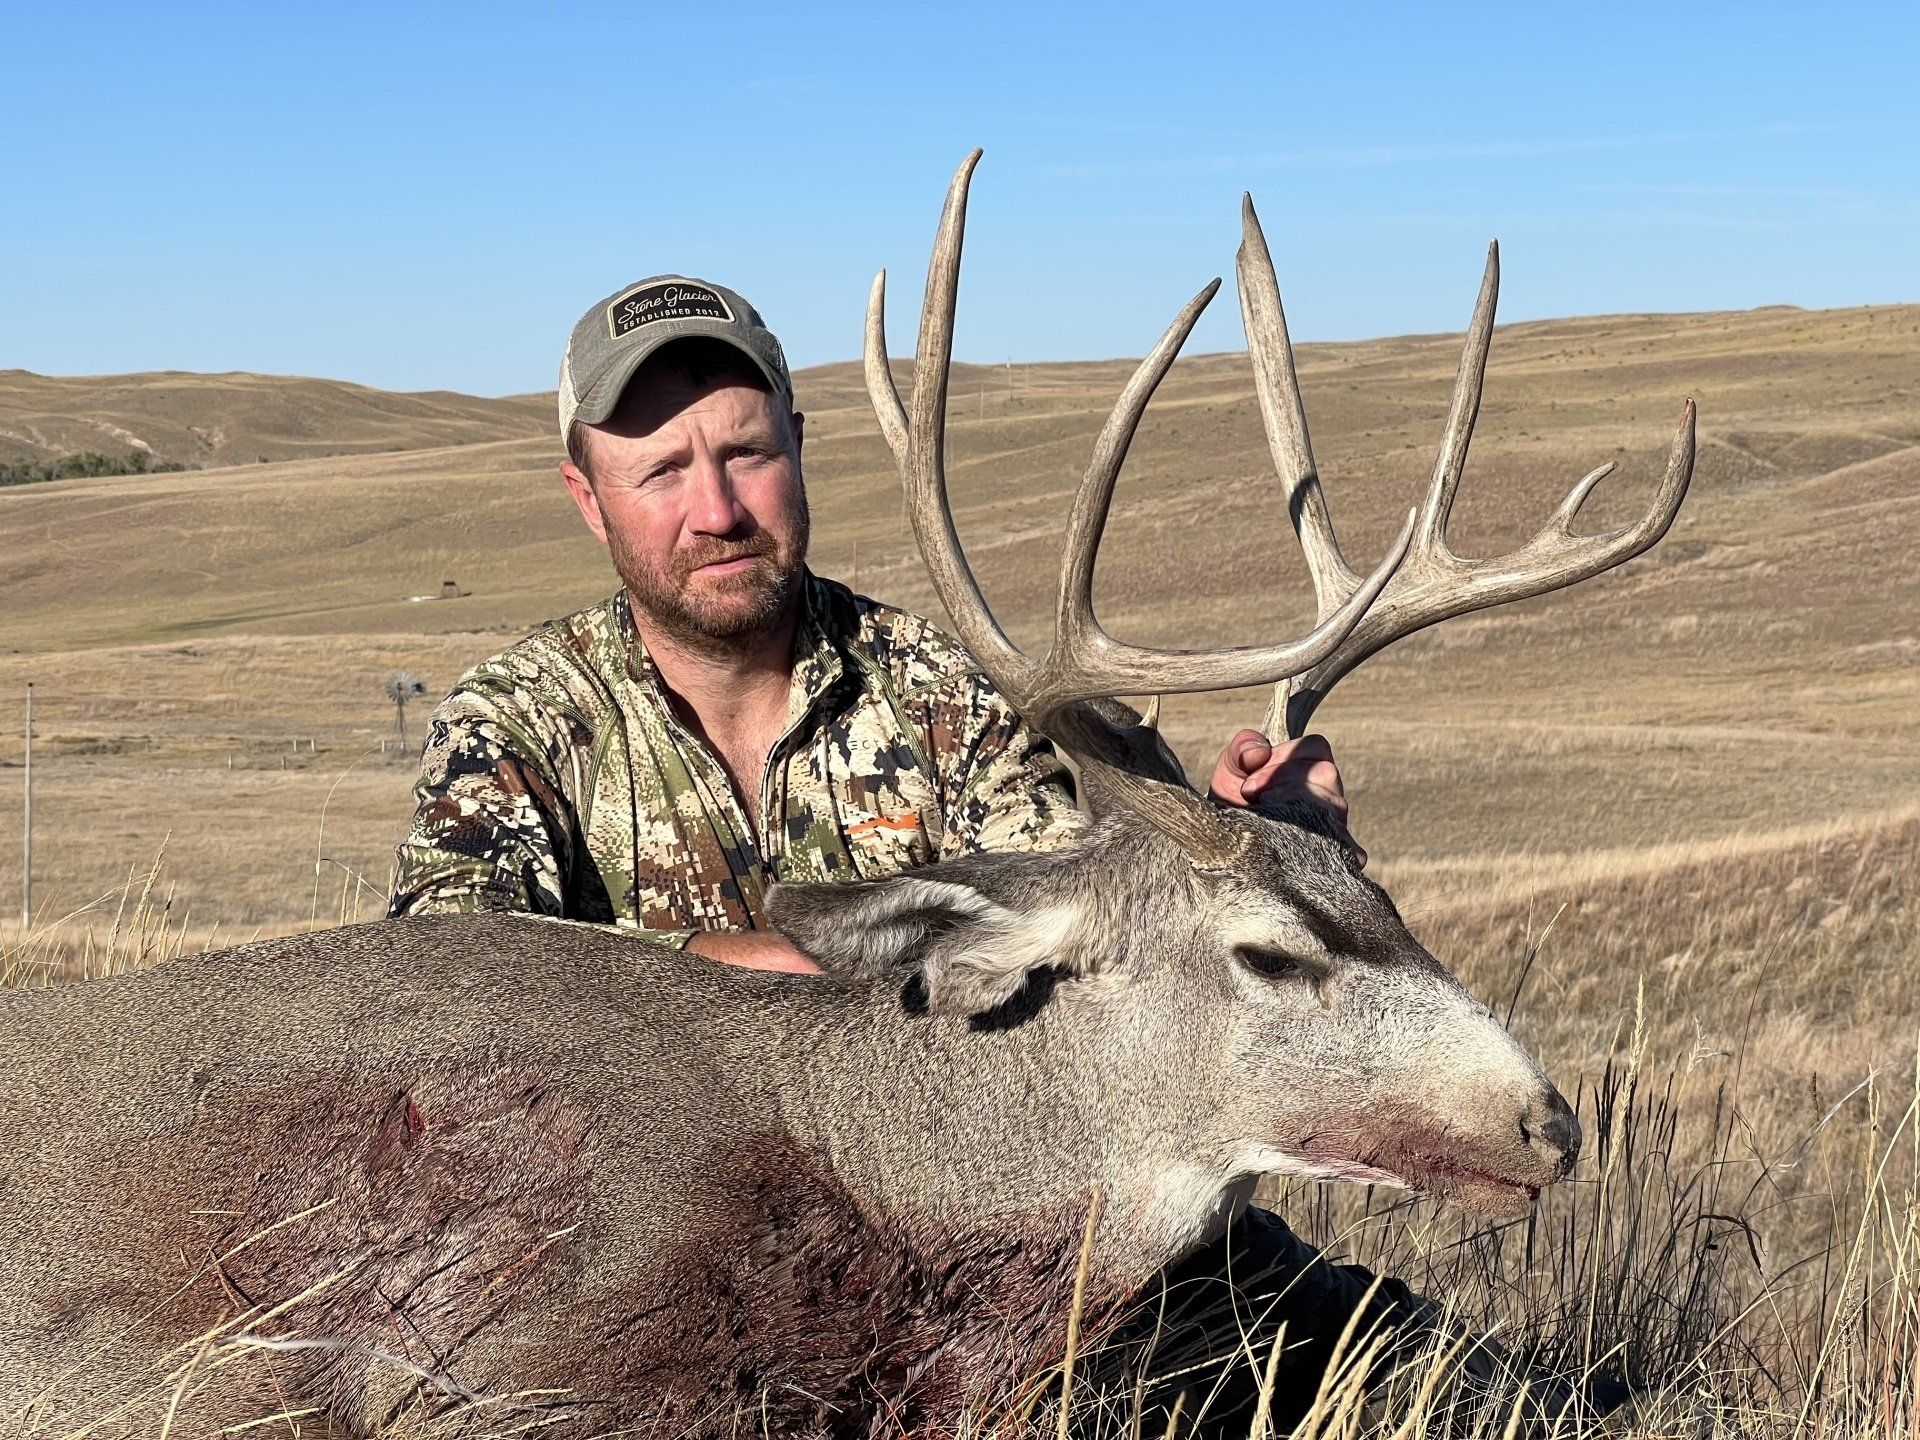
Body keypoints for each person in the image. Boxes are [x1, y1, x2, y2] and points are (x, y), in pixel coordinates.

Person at [387, 276, 1574, 1434]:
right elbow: (435, 986)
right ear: (588, 499)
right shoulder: (521, 724)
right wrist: (753, 975)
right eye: (660, 471)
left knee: (1475, 1395)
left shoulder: (944, 688)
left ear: (800, 446)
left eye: (746, 452)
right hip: (653, 1230)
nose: (717, 509)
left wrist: (1241, 843)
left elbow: (1098, 907)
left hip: (999, 1203)